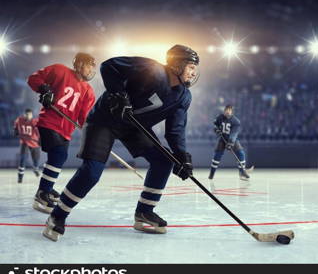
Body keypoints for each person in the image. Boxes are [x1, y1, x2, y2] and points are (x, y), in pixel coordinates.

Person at [42, 44, 199, 242]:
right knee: (92, 171)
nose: (194, 73)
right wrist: (118, 94)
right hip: (105, 119)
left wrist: (182, 156)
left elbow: (175, 130)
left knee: (164, 161)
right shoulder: (151, 68)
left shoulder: (184, 96)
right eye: (191, 66)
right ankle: (57, 215)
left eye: (195, 68)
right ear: (177, 64)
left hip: (135, 127)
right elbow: (109, 66)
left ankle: (144, 212)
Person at [27, 52, 96, 214]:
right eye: (88, 65)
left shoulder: (88, 91)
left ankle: (47, 188)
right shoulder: (59, 70)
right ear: (79, 65)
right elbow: (33, 79)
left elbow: (83, 117)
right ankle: (42, 192)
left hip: (66, 130)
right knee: (58, 154)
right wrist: (43, 89)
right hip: (50, 122)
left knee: (60, 156)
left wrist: (92, 128)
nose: (91, 70)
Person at [208, 105, 250, 181]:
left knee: (241, 153)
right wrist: (216, 129)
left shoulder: (236, 121)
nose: (227, 112)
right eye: (226, 110)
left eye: (229, 110)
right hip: (222, 139)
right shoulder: (220, 117)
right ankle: (212, 173)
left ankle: (242, 172)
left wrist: (230, 143)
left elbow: (234, 134)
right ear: (224, 111)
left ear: (232, 111)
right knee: (217, 155)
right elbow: (215, 124)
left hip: (232, 140)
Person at [13, 108, 41, 183]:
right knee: (22, 159)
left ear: (32, 115)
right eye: (27, 114)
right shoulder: (19, 119)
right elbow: (16, 124)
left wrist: (40, 140)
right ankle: (20, 177)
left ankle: (35, 169)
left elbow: (39, 131)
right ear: (24, 114)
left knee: (35, 160)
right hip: (24, 142)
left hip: (34, 143)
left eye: (29, 114)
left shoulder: (34, 122)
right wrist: (15, 130)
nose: (28, 116)